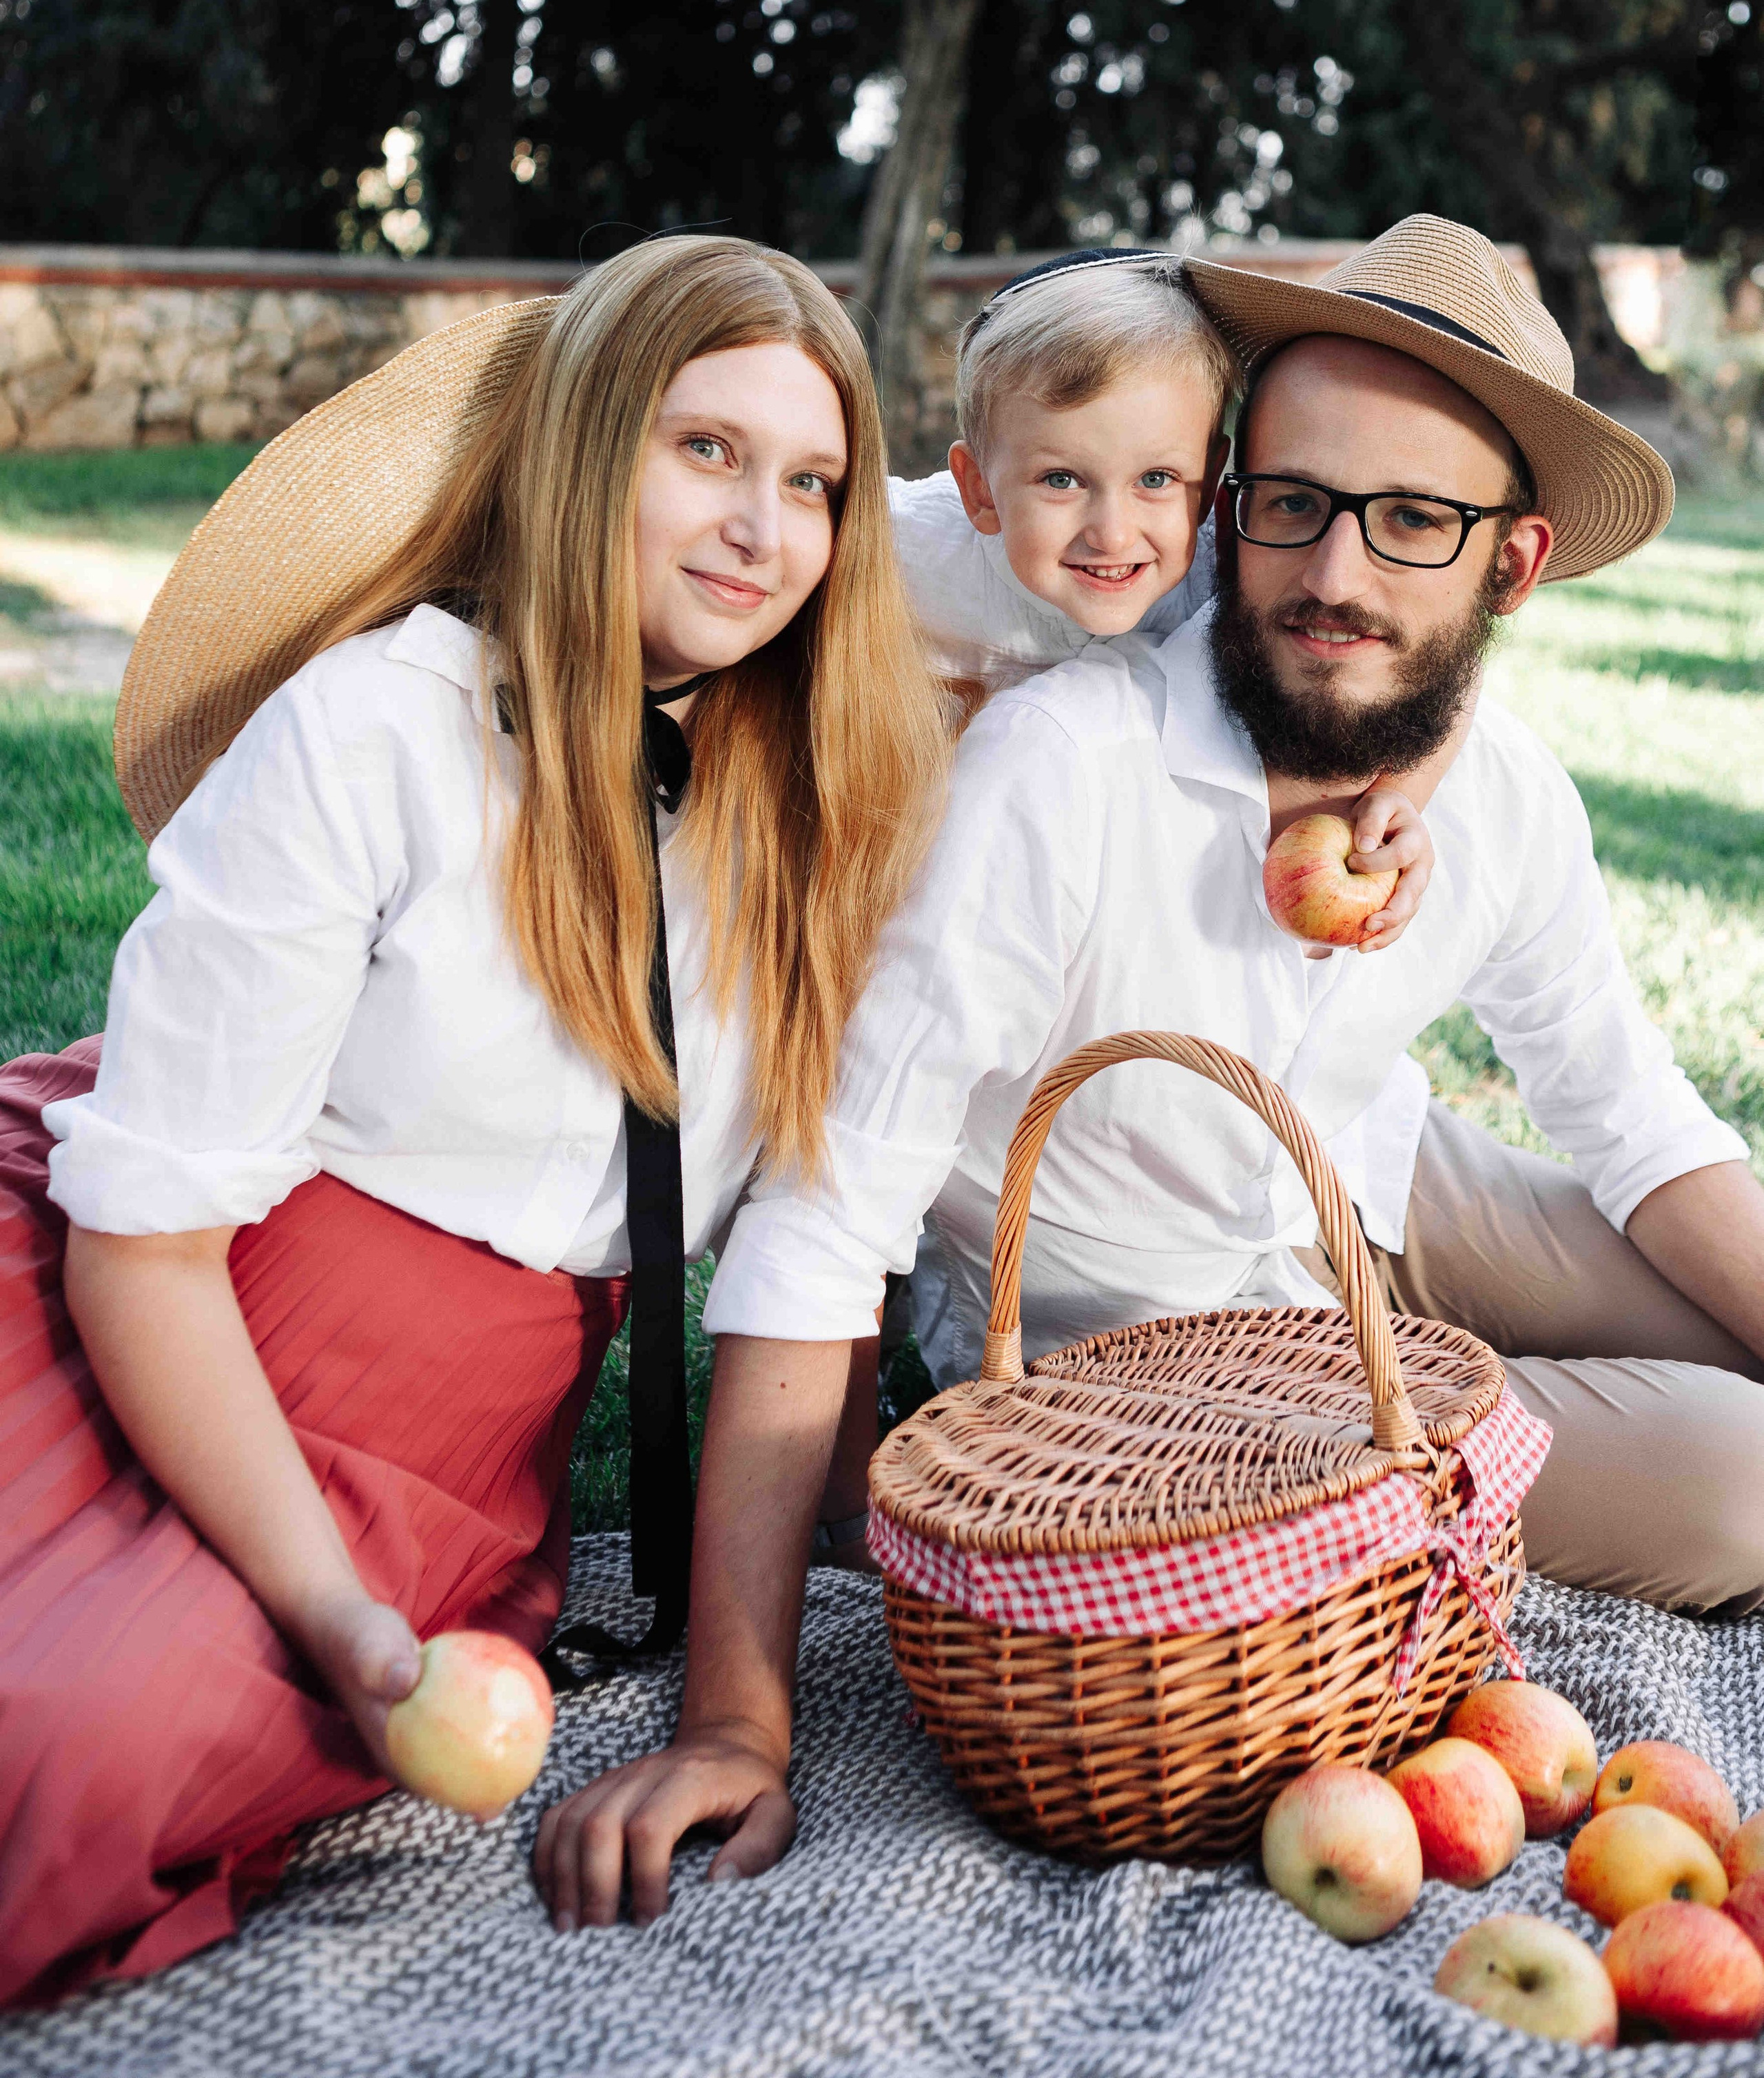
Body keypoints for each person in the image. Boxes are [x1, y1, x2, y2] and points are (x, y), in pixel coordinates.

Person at [533, 213, 1764, 1930]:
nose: (1332, 571)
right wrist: (737, 1713)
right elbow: (830, 1210)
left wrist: (1442, 736)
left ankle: (1466, 1390)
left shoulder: (1498, 800)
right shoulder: (1057, 762)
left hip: (1380, 1178)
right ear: (1226, 505)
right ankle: (1445, 1425)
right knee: (1739, 1481)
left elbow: (1631, 1118)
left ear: (1515, 562)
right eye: (1293, 502)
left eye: (1414, 522)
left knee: (1730, 1294)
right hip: (1170, 1332)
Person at [0, 234, 948, 2008]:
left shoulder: (817, 798)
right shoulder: (375, 730)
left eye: (812, 483)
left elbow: (1101, 532)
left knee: (76, 1748)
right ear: (587, 452)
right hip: (150, 1281)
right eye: (706, 452)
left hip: (435, 1413)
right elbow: (149, 1238)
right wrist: (342, 1619)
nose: (763, 527)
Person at [797, 247, 1438, 1563]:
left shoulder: (1206, 566)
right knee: (848, 1141)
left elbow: (1410, 643)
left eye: (1157, 480)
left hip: (1065, 913)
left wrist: (1392, 795)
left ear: (1207, 489)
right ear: (979, 488)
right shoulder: (905, 555)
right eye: (1060, 481)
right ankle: (831, 1492)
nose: (1111, 529)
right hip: (886, 869)